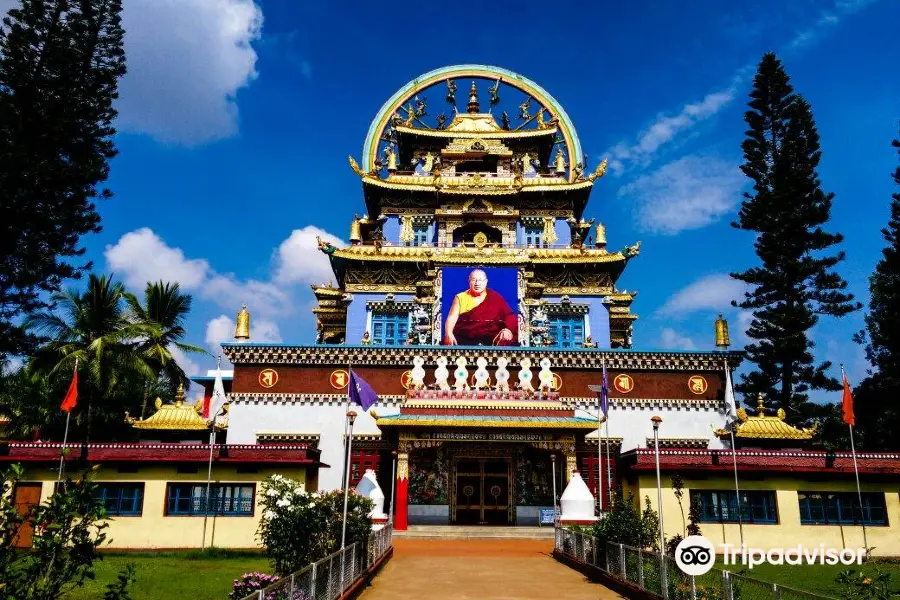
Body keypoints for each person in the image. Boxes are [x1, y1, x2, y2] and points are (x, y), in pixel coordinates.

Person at [443, 269, 518, 346]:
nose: (477, 283)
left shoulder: (495, 297)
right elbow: (452, 317)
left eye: (480, 280)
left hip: (490, 342)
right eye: (473, 280)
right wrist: (449, 333)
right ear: (469, 281)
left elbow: (510, 316)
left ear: (486, 282)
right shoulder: (460, 297)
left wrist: (508, 330)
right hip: (464, 341)